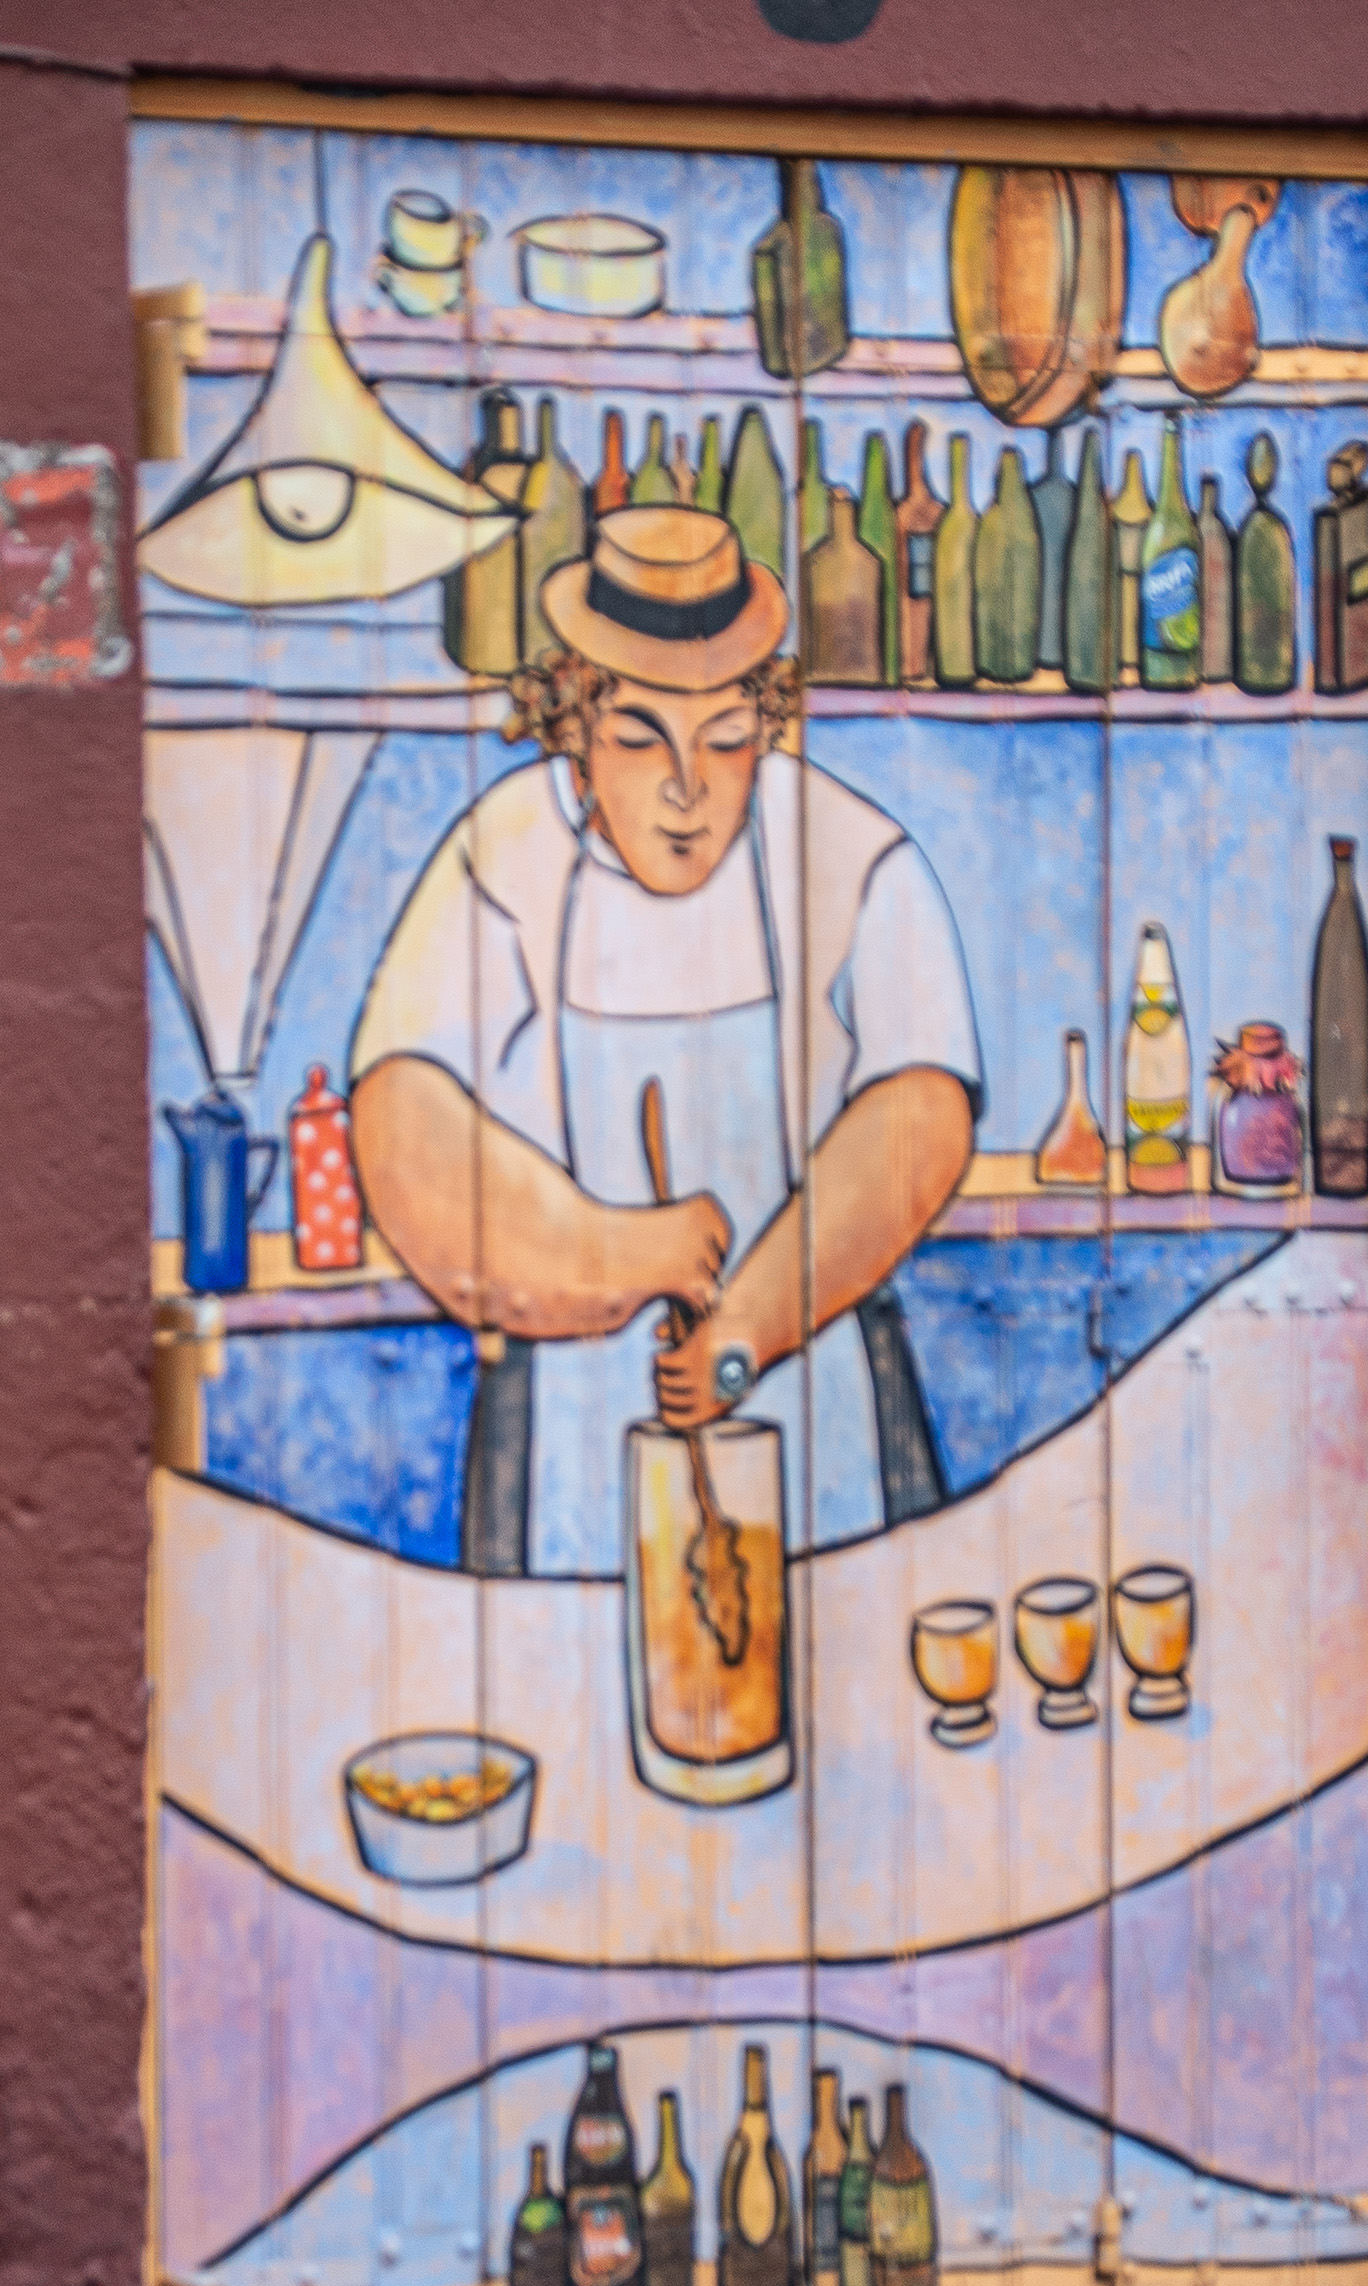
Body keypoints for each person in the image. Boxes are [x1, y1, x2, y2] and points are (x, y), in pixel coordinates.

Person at [350, 503, 982, 1577]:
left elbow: (922, 1115)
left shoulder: (852, 853)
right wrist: (614, 1249)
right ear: (576, 728)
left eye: (727, 741)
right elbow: (399, 1124)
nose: (688, 790)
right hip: (569, 1432)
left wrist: (744, 1334)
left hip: (813, 1407)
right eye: (641, 737)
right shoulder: (501, 858)